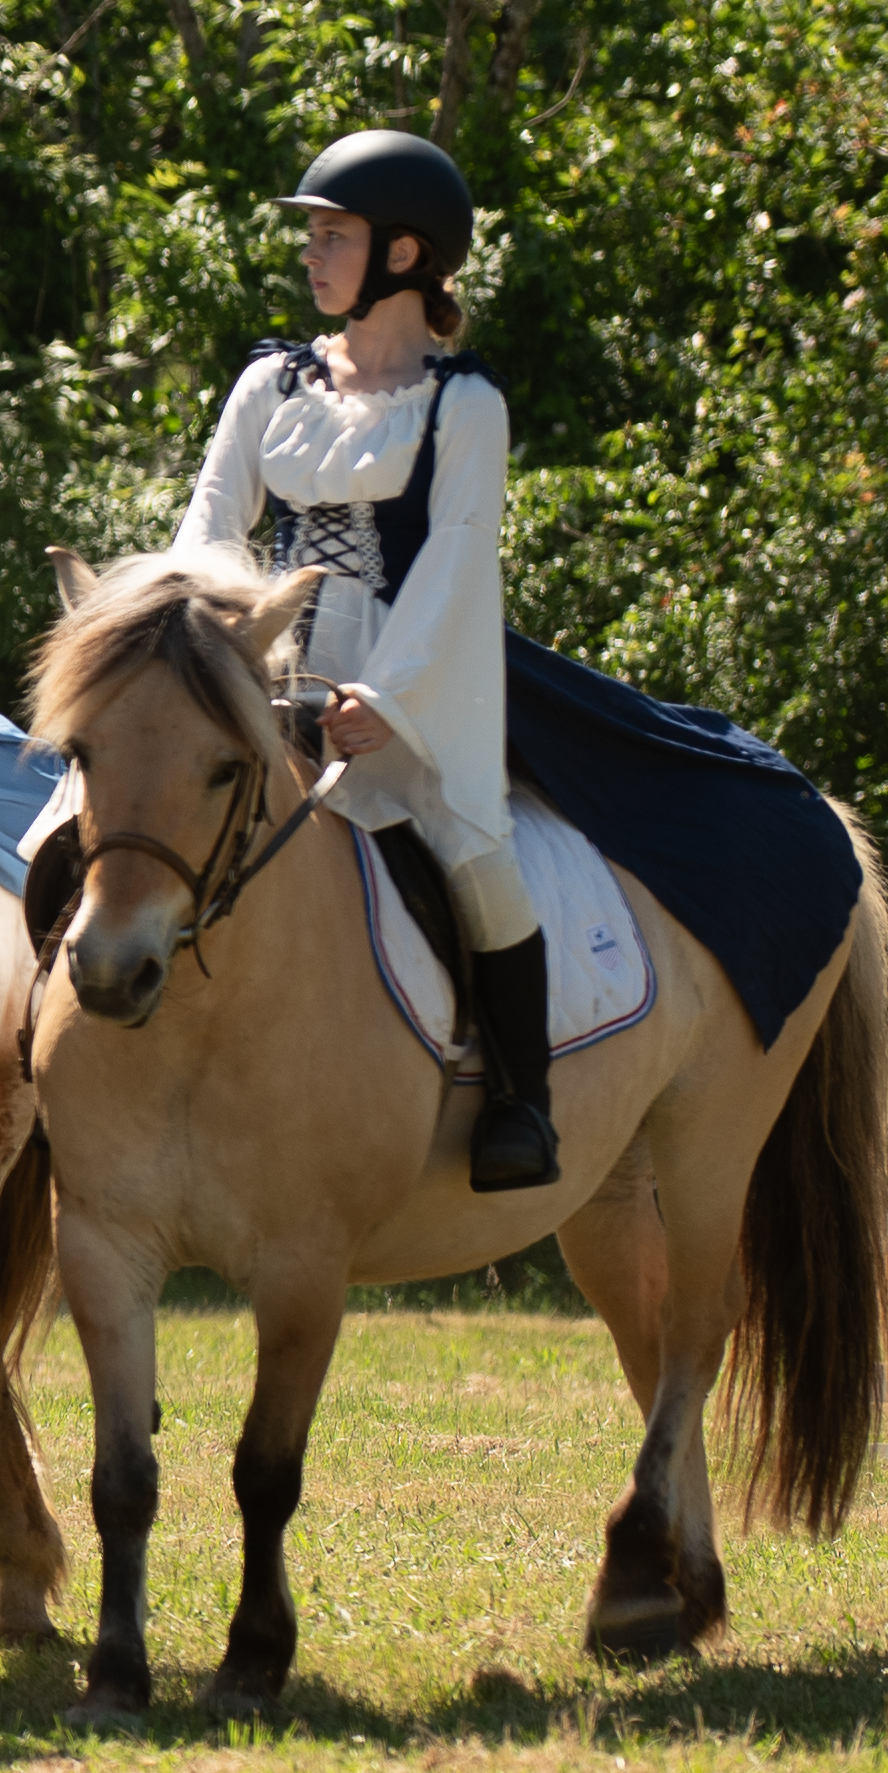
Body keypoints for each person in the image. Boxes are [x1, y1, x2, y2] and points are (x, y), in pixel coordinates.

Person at [176, 127, 557, 1191]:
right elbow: (207, 524)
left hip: (400, 680)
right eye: (312, 234)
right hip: (257, 667)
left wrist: (385, 699)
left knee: (476, 857)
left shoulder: (463, 404)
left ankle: (524, 1102)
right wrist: (202, 654)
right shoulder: (269, 386)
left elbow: (454, 563)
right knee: (103, 812)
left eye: (331, 234)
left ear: (401, 253)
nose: (310, 253)